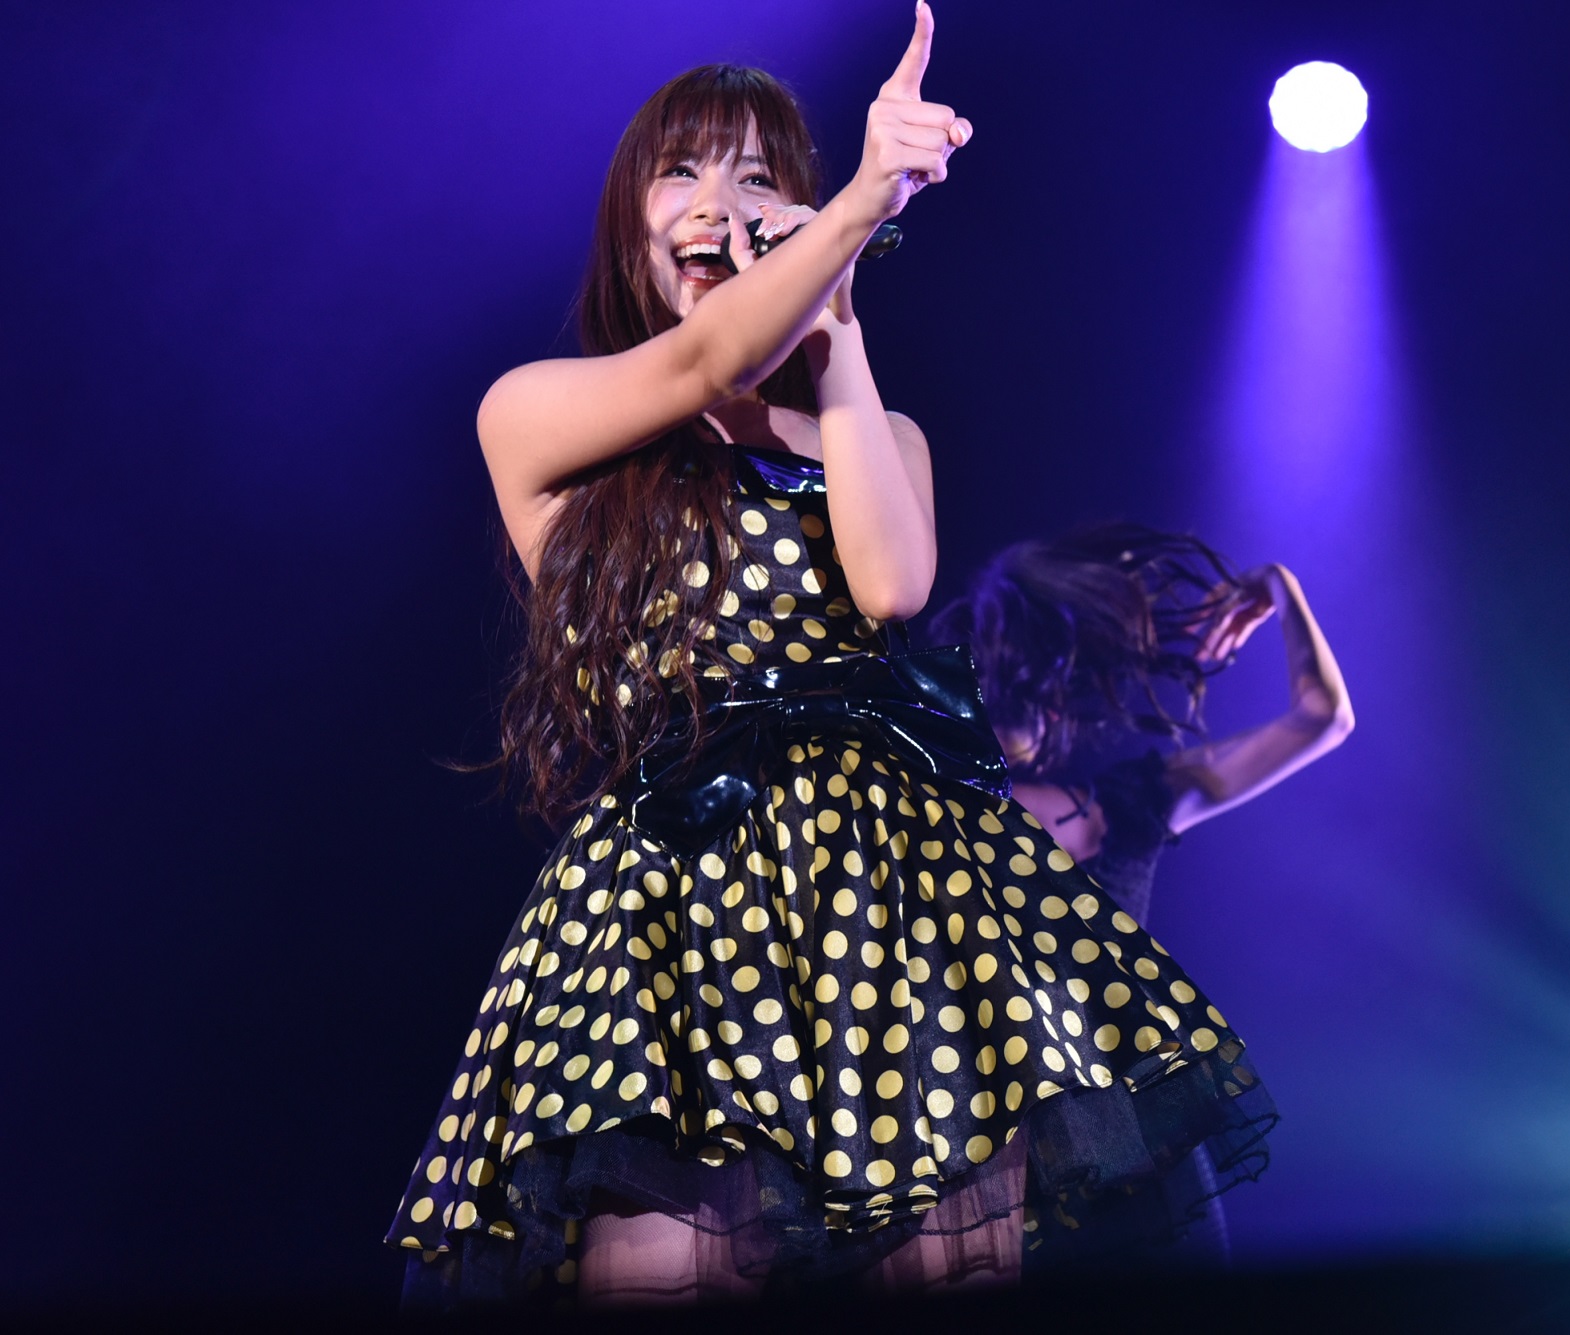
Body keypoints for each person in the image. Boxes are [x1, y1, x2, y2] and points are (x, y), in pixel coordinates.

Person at [387, 5, 1274, 1307]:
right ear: (630, 223)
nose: (720, 205)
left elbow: (892, 585)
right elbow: (708, 356)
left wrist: (839, 314)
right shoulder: (538, 412)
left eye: (759, 179)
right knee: (671, 1249)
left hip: (898, 895)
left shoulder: (880, 434)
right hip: (683, 891)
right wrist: (867, 195)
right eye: (682, 171)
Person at [930, 524, 1354, 1263]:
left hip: (1085, 1141)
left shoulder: (1111, 805)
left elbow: (1324, 719)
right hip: (1052, 1146)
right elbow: (1323, 716)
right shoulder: (959, 813)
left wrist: (1281, 587)